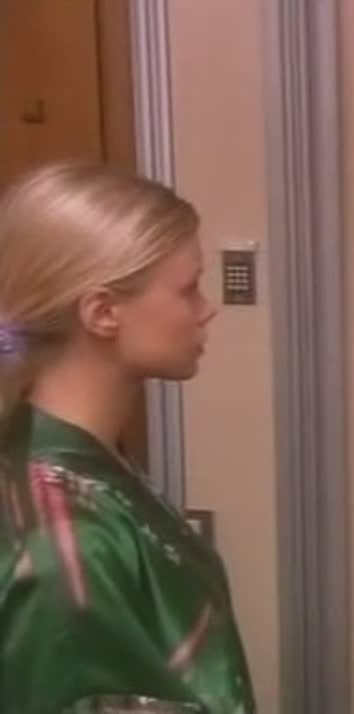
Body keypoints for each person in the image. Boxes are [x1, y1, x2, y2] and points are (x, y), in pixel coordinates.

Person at [0, 163, 255, 713]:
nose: (206, 309)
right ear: (103, 312)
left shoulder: (90, 462)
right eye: (188, 289)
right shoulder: (66, 542)